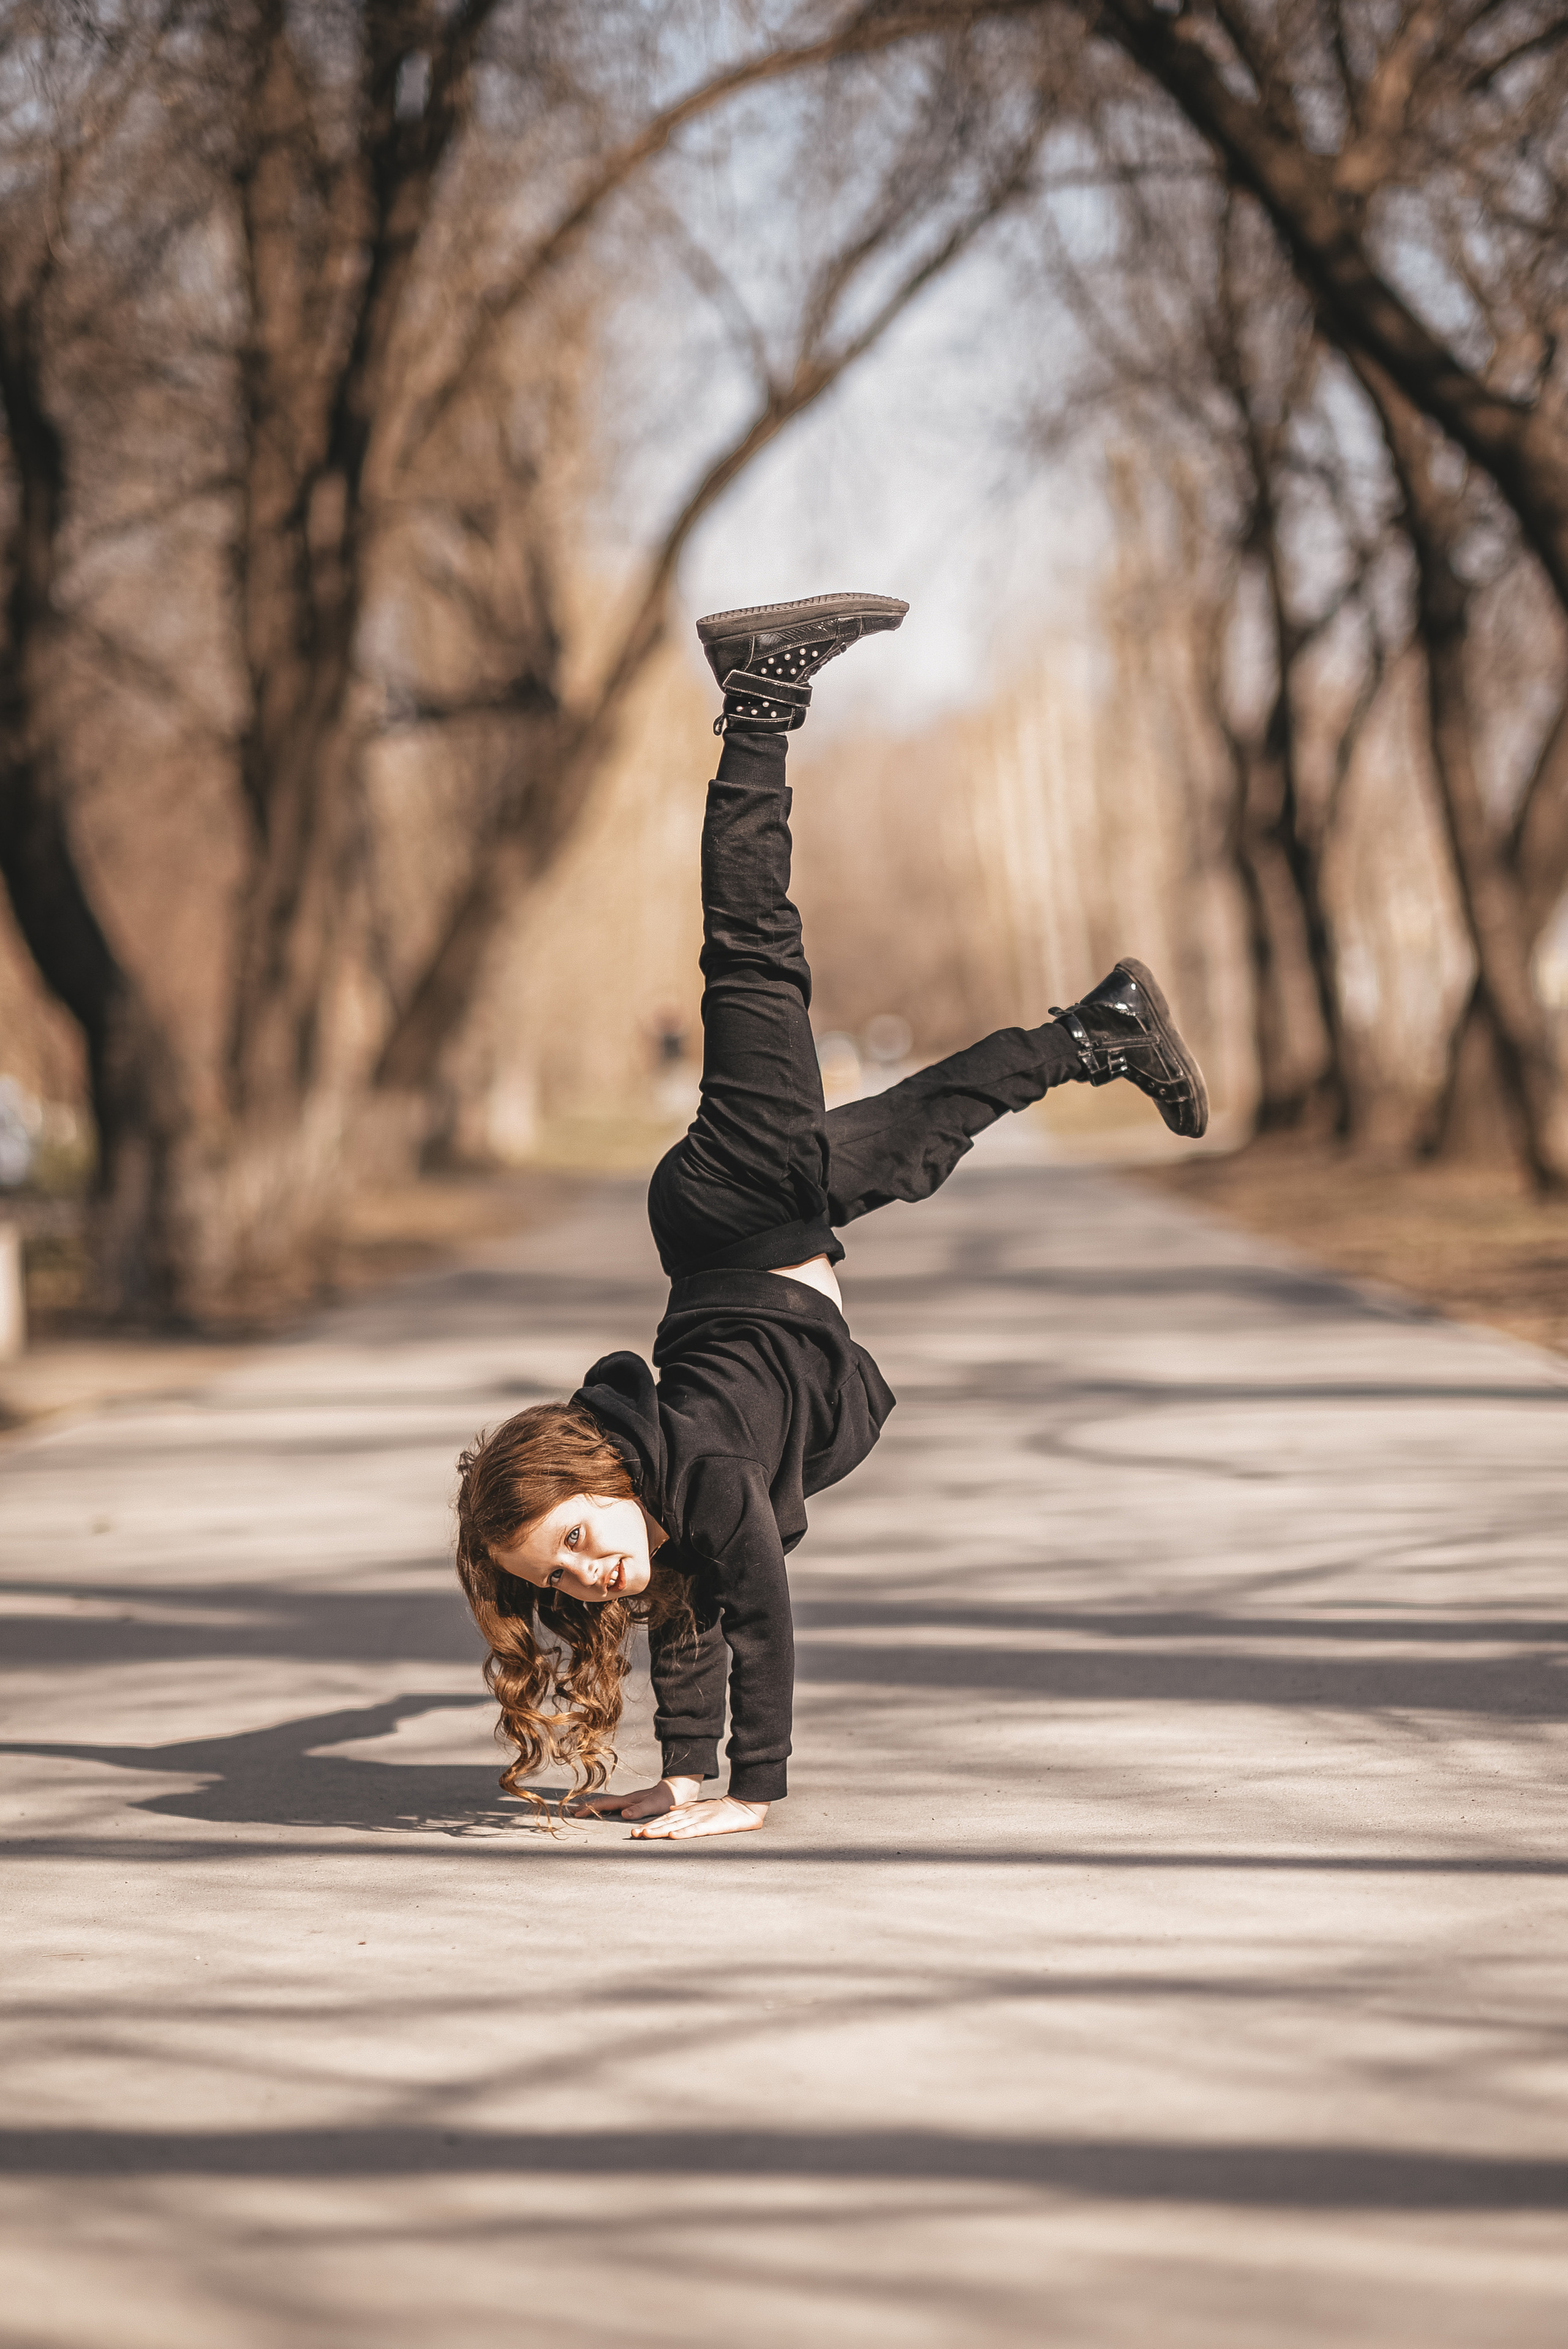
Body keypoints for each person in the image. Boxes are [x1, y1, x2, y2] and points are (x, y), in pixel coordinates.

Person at [453, 591, 1208, 1840]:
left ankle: (759, 700)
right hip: (742, 1236)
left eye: (576, 1540)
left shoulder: (696, 1472)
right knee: (913, 1140)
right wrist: (681, 1771)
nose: (591, 1577)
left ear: (603, 1469)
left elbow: (757, 1616)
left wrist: (754, 1788)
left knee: (751, 953)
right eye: (566, 1579)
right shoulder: (663, 1515)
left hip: (738, 1210)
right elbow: (690, 1615)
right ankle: (1100, 1030)